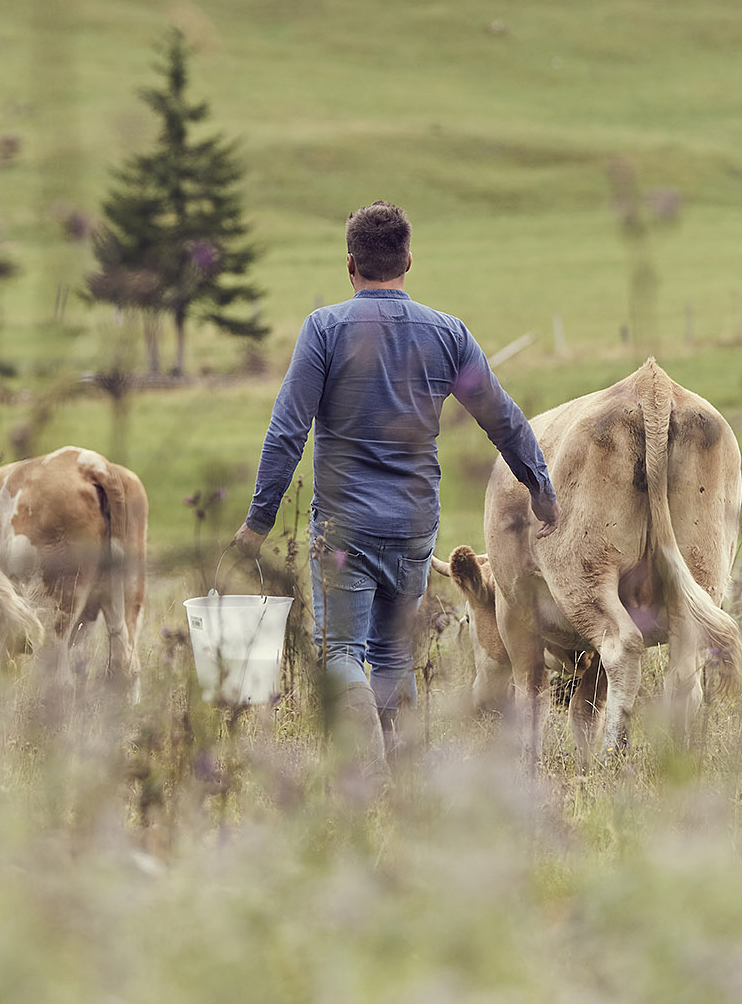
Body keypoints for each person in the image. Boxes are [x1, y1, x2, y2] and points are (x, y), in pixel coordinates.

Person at [234, 201, 558, 774]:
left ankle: (367, 777)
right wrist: (541, 486)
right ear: (408, 259)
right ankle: (402, 778)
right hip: (413, 528)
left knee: (341, 653)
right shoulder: (447, 334)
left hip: (343, 530)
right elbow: (502, 417)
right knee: (391, 653)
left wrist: (257, 524)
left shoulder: (325, 330)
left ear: (350, 263)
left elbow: (288, 430)